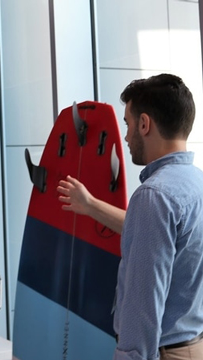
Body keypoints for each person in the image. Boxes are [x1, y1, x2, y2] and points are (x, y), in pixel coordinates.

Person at [57, 73, 203, 360]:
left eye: (128, 123)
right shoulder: (194, 185)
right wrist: (90, 205)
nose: (125, 135)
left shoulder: (155, 196)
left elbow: (143, 302)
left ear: (145, 124)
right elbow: (158, 242)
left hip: (161, 352)